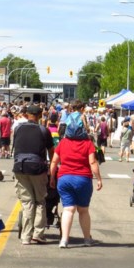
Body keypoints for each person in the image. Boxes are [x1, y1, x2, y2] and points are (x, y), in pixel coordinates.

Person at [50, 100, 103, 249]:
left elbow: (54, 162)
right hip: (83, 179)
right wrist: (98, 179)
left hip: (64, 178)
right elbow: (93, 163)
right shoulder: (88, 144)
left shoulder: (63, 143)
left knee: (68, 209)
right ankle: (87, 239)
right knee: (83, 210)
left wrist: (52, 177)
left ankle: (64, 240)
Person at [12, 104, 55, 244]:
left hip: (20, 167)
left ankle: (25, 236)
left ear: (26, 114)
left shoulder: (17, 128)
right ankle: (38, 233)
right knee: (40, 201)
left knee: (27, 202)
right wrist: (52, 167)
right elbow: (51, 151)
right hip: (37, 168)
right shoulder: (43, 130)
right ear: (40, 116)